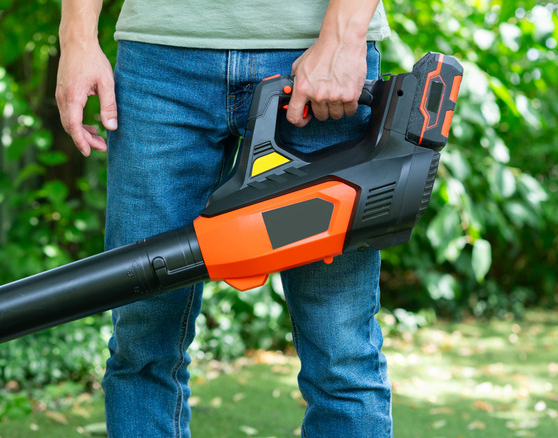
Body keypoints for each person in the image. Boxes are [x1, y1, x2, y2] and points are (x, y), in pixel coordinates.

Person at [56, 0, 393, 436]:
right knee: (142, 338)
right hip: (160, 61)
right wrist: (77, 38)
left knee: (341, 351)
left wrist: (343, 35)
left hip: (317, 60)